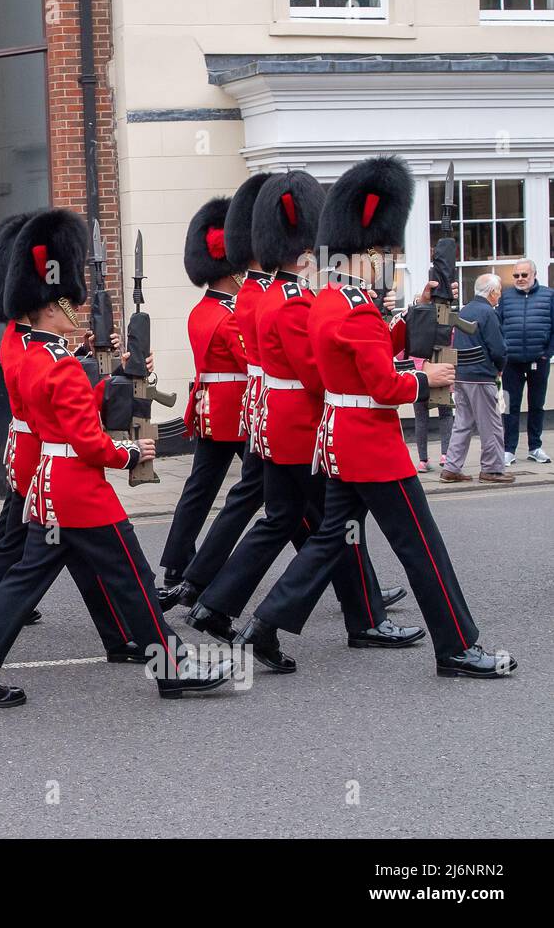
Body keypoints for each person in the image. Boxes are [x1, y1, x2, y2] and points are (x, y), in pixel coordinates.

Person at [238, 156, 516, 680]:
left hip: (337, 441)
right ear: (369, 253)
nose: (391, 262)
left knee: (329, 541)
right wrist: (425, 379)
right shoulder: (357, 308)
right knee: (421, 547)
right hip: (371, 445)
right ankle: (457, 646)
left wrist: (420, 312)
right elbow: (385, 384)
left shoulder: (328, 302)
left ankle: (264, 625)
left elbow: (364, 353)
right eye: (387, 254)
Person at [0, 208, 233, 707]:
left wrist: (105, 382)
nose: (74, 311)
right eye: (67, 304)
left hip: (46, 486)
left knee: (25, 578)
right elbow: (90, 443)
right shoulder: (61, 367)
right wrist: (128, 453)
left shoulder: (32, 353)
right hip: (80, 490)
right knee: (133, 576)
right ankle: (169, 666)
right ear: (52, 307)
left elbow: (66, 412)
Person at [185, 170, 420, 660]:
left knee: (290, 520)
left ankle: (219, 604)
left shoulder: (277, 294)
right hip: (300, 425)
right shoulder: (292, 302)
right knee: (331, 527)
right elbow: (320, 376)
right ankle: (356, 619)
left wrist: (392, 330)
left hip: (280, 422)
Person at [0, 211, 141, 664]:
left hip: (37, 450)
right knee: (25, 551)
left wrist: (81, 354)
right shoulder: (39, 350)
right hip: (46, 456)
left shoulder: (20, 338)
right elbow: (63, 401)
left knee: (60, 553)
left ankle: (117, 636)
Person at [155, 195, 251, 605]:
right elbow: (253, 361)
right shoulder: (231, 314)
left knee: (199, 489)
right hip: (240, 412)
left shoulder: (202, 310)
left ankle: (178, 563)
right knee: (282, 495)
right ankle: (337, 573)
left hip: (212, 408)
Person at [442, 273, 511, 484]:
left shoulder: (466, 309)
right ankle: (491, 469)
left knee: (462, 423)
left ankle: (451, 468)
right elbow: (498, 349)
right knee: (491, 424)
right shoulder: (488, 313)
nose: (499, 296)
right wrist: (499, 368)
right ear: (491, 293)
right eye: (498, 291)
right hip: (481, 375)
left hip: (461, 374)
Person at [497, 258, 554, 465]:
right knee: (510, 406)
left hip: (539, 360)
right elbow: (498, 324)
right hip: (511, 362)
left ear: (534, 274)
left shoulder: (549, 296)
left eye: (524, 275)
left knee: (537, 405)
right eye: (516, 276)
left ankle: (535, 447)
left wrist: (547, 354)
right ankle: (509, 449)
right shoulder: (506, 296)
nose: (520, 279)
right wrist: (502, 354)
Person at [410, 356, 453, 472]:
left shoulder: (415, 338)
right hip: (442, 370)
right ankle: (446, 455)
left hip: (419, 374)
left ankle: (423, 461)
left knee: (420, 418)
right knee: (446, 414)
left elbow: (402, 352)